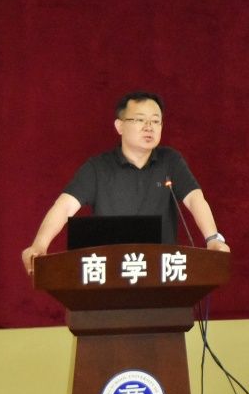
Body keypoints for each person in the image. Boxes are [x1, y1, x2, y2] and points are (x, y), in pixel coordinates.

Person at [21, 91, 230, 275]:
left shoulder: (170, 161)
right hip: (109, 274)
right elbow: (65, 205)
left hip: (161, 273)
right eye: (140, 120)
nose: (149, 127)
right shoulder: (98, 167)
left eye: (155, 121)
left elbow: (195, 199)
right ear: (119, 126)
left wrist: (213, 238)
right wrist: (39, 245)